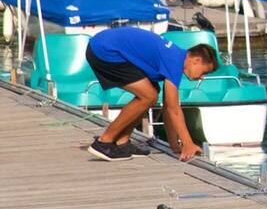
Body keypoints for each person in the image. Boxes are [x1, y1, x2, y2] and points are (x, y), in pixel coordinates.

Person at [83, 27, 219, 162]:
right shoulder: (174, 61)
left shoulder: (176, 57)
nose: (202, 78)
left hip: (104, 46)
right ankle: (104, 142)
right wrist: (188, 144)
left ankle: (122, 142)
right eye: (204, 72)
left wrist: (174, 144)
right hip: (104, 50)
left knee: (152, 92)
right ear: (196, 61)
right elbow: (174, 110)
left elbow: (168, 107)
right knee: (148, 96)